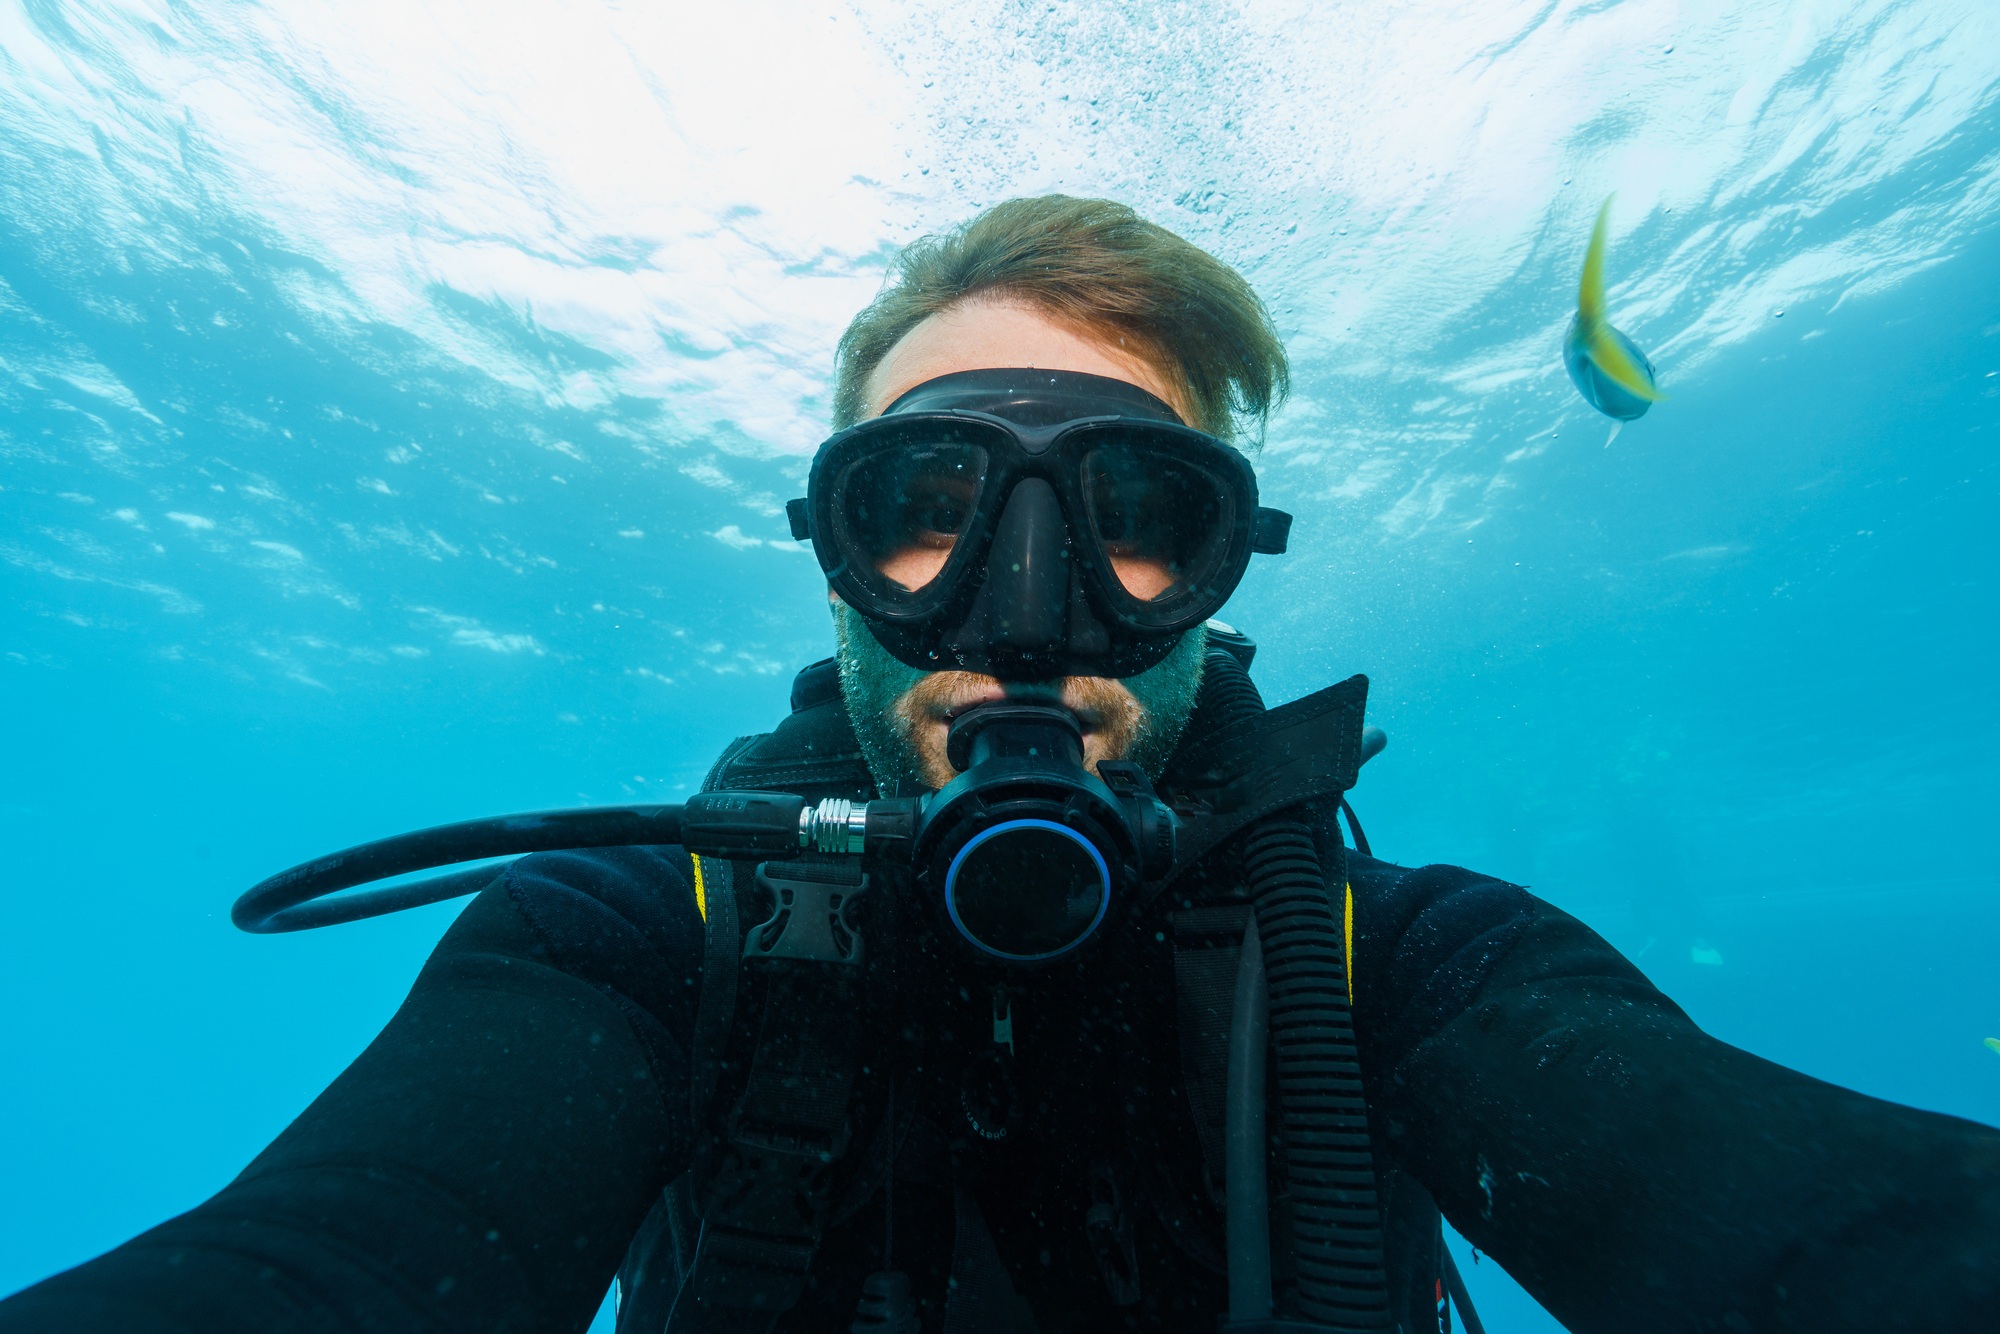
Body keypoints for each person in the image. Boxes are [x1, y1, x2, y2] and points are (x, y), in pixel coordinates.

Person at [3, 195, 1996, 1334]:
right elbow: (314, 1268)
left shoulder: (1403, 963)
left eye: (1135, 505)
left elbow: (1821, 1236)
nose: (1020, 607)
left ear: (1221, 572)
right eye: (930, 498)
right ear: (837, 552)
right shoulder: (630, 938)